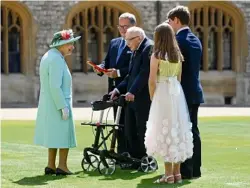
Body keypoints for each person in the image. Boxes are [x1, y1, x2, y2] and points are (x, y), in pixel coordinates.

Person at [144, 23, 193, 184]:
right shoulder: (177, 55)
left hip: (163, 92)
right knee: (177, 128)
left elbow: (152, 80)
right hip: (176, 93)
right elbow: (178, 78)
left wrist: (153, 98)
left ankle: (168, 175)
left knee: (163, 129)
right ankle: (177, 173)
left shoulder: (157, 55)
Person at [34, 29, 80, 175]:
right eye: (69, 44)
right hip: (58, 103)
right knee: (63, 135)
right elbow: (55, 85)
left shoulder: (49, 56)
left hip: (50, 103)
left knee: (54, 135)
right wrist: (63, 106)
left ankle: (51, 165)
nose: (72, 47)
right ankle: (62, 166)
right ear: (61, 44)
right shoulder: (56, 59)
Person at [167, 5, 204, 179]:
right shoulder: (196, 39)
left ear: (176, 20)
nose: (168, 24)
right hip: (194, 91)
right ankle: (194, 169)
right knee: (192, 131)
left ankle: (185, 170)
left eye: (169, 21)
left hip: (182, 93)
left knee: (182, 131)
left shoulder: (178, 41)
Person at [93, 13, 136, 154]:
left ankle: (130, 153)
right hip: (113, 90)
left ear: (133, 27)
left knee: (129, 124)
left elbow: (134, 68)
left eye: (126, 26)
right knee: (117, 124)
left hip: (129, 89)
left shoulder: (137, 43)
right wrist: (100, 67)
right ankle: (120, 153)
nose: (122, 30)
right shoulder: (114, 42)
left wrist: (117, 72)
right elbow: (108, 61)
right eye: (120, 27)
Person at [110, 26, 153, 166]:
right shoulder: (135, 49)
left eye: (129, 40)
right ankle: (134, 160)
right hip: (131, 98)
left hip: (142, 97)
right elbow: (130, 75)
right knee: (130, 129)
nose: (126, 43)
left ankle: (144, 159)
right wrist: (118, 89)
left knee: (142, 130)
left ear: (139, 38)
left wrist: (132, 91)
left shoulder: (148, 48)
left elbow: (144, 73)